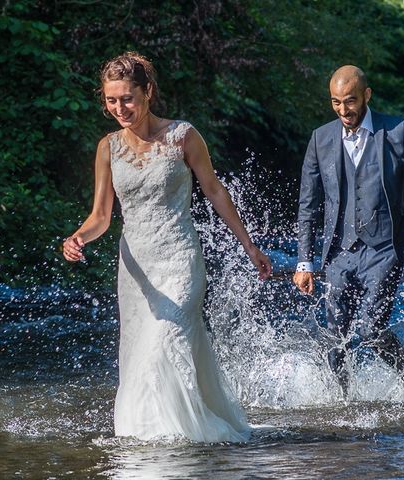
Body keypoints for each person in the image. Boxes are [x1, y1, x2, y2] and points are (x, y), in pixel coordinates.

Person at [62, 51, 272, 442]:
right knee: (141, 352)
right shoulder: (107, 148)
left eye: (127, 98)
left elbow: (214, 190)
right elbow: (102, 216)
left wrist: (249, 246)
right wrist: (77, 237)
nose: (119, 107)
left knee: (165, 342)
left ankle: (173, 441)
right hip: (136, 270)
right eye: (111, 100)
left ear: (148, 93)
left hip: (179, 260)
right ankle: (151, 435)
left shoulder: (183, 136)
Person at [293, 65, 404, 396]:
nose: (343, 110)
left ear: (366, 95)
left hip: (383, 249)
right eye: (335, 103)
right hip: (337, 252)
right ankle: (343, 406)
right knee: (335, 338)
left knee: (370, 330)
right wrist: (304, 261)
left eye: (349, 101)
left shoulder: (397, 131)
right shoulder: (320, 139)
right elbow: (308, 204)